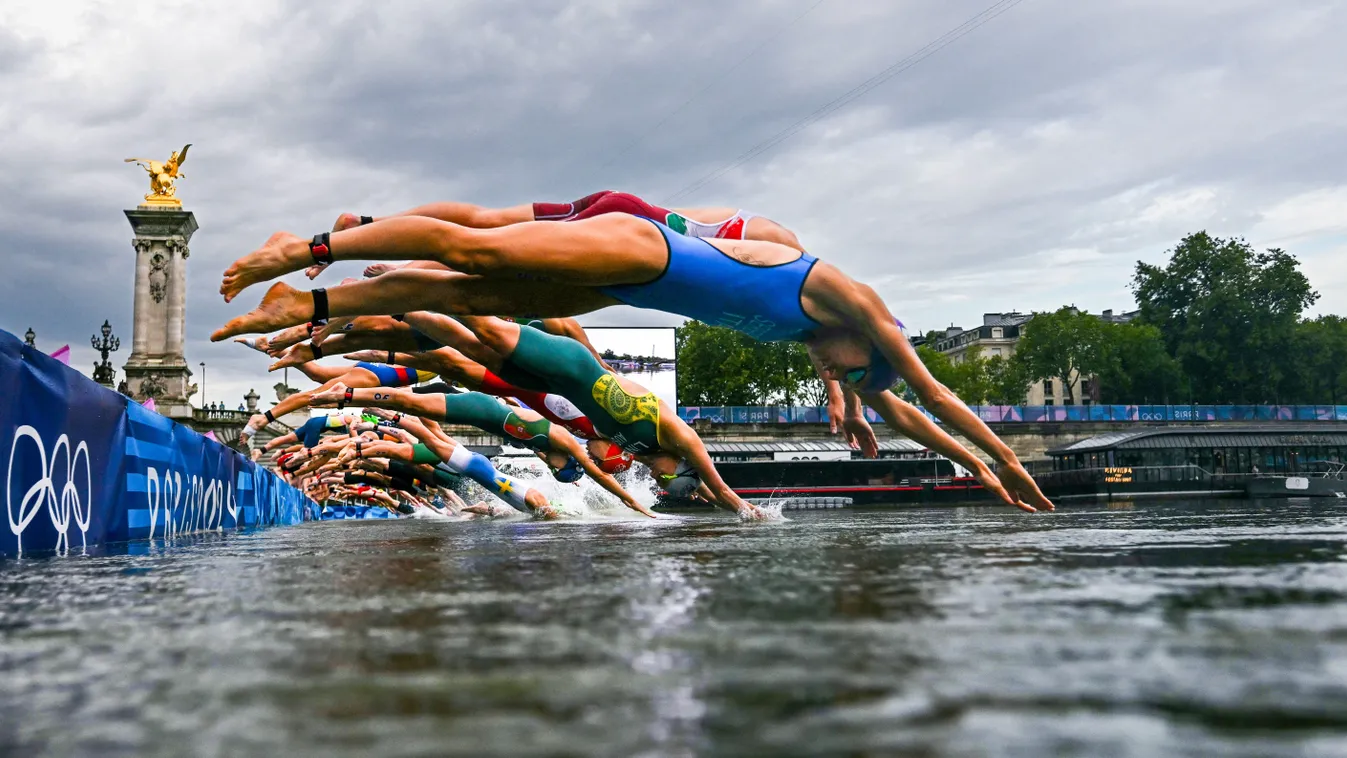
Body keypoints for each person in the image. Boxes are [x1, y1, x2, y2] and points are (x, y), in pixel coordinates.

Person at [214, 212, 1052, 512]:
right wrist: (1006, 458)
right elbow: (931, 391)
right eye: (852, 374)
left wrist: (970, 470)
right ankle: (307, 252)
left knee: (474, 296)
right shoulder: (852, 301)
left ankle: (312, 311)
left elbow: (902, 409)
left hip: (628, 288)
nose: (836, 376)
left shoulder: (828, 347)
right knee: (472, 250)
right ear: (871, 341)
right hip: (641, 246)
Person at [309, 382, 656, 518]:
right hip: (483, 412)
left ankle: (377, 414)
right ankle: (362, 401)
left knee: (428, 436)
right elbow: (590, 472)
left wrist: (481, 508)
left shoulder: (547, 449)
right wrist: (633, 504)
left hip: (486, 435)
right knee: (426, 431)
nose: (552, 469)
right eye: (558, 469)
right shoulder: (563, 441)